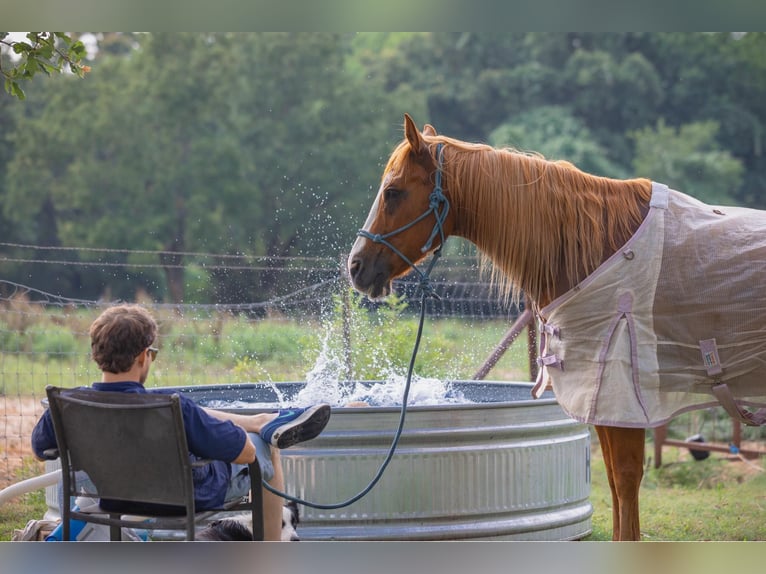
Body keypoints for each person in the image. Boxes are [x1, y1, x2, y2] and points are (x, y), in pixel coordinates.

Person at [31, 304, 331, 541]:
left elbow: (42, 449)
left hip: (112, 496)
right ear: (143, 356)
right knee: (265, 447)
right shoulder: (173, 408)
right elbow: (244, 454)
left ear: (96, 354)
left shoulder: (68, 404)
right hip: (186, 497)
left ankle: (258, 420)